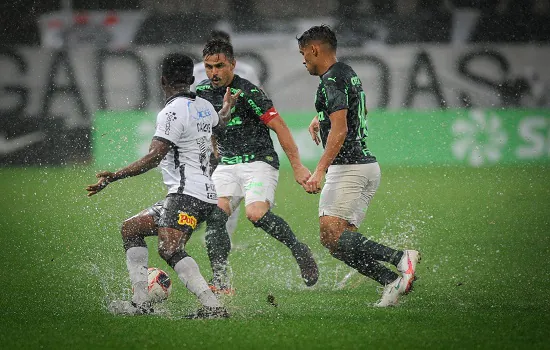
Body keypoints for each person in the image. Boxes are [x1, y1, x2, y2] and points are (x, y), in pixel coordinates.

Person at [85, 53, 241, 318]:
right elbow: (220, 123)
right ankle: (141, 302)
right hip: (201, 194)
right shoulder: (204, 105)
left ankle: (213, 308)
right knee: (131, 229)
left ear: (162, 81)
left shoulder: (171, 111)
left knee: (169, 249)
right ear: (192, 80)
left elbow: (154, 157)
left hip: (186, 194)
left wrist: (115, 176)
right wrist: (226, 108)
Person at [296, 25, 420, 307]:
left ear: (315, 50)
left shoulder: (331, 80)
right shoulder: (345, 72)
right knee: (336, 242)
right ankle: (392, 282)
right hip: (362, 166)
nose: (303, 60)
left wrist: (319, 170)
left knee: (332, 235)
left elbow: (340, 130)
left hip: (349, 167)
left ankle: (401, 259)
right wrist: (321, 118)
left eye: (304, 54)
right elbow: (351, 112)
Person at [196, 39, 319, 291]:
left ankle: (299, 249)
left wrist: (297, 166)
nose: (214, 73)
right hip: (227, 164)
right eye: (209, 67)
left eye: (219, 66)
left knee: (256, 214)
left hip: (259, 162)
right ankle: (220, 279)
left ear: (233, 64)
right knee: (215, 215)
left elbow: (279, 126)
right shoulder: (202, 92)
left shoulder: (248, 92)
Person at [192, 29, 261, 249]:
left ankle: (224, 236)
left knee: (232, 186)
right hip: (203, 138)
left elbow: (259, 97)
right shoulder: (197, 71)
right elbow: (189, 103)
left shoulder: (246, 71)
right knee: (201, 185)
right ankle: (193, 224)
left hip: (236, 138)